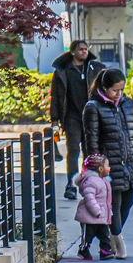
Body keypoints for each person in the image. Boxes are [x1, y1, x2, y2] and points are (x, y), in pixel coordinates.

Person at [81, 66, 133, 259]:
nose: (119, 94)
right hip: (108, 166)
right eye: (115, 90)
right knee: (114, 205)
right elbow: (91, 140)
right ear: (104, 88)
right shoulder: (93, 107)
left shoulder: (128, 104)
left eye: (122, 89)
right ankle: (118, 242)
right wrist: (97, 166)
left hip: (129, 163)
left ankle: (110, 238)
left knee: (128, 202)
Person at [49, 38, 105, 199]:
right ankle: (71, 185)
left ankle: (88, 184)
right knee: (73, 150)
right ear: (73, 52)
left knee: (90, 152)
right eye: (81, 49)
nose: (84, 51)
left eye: (86, 49)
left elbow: (104, 90)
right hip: (71, 117)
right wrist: (55, 119)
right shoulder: (63, 71)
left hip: (90, 116)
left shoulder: (95, 69)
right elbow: (56, 97)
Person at [74, 154, 114, 261]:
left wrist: (107, 211)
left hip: (101, 216)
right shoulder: (91, 181)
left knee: (105, 235)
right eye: (107, 165)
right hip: (90, 216)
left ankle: (105, 250)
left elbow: (106, 200)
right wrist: (97, 211)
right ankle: (83, 250)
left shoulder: (103, 180)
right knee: (88, 236)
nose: (109, 168)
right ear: (100, 169)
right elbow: (89, 198)